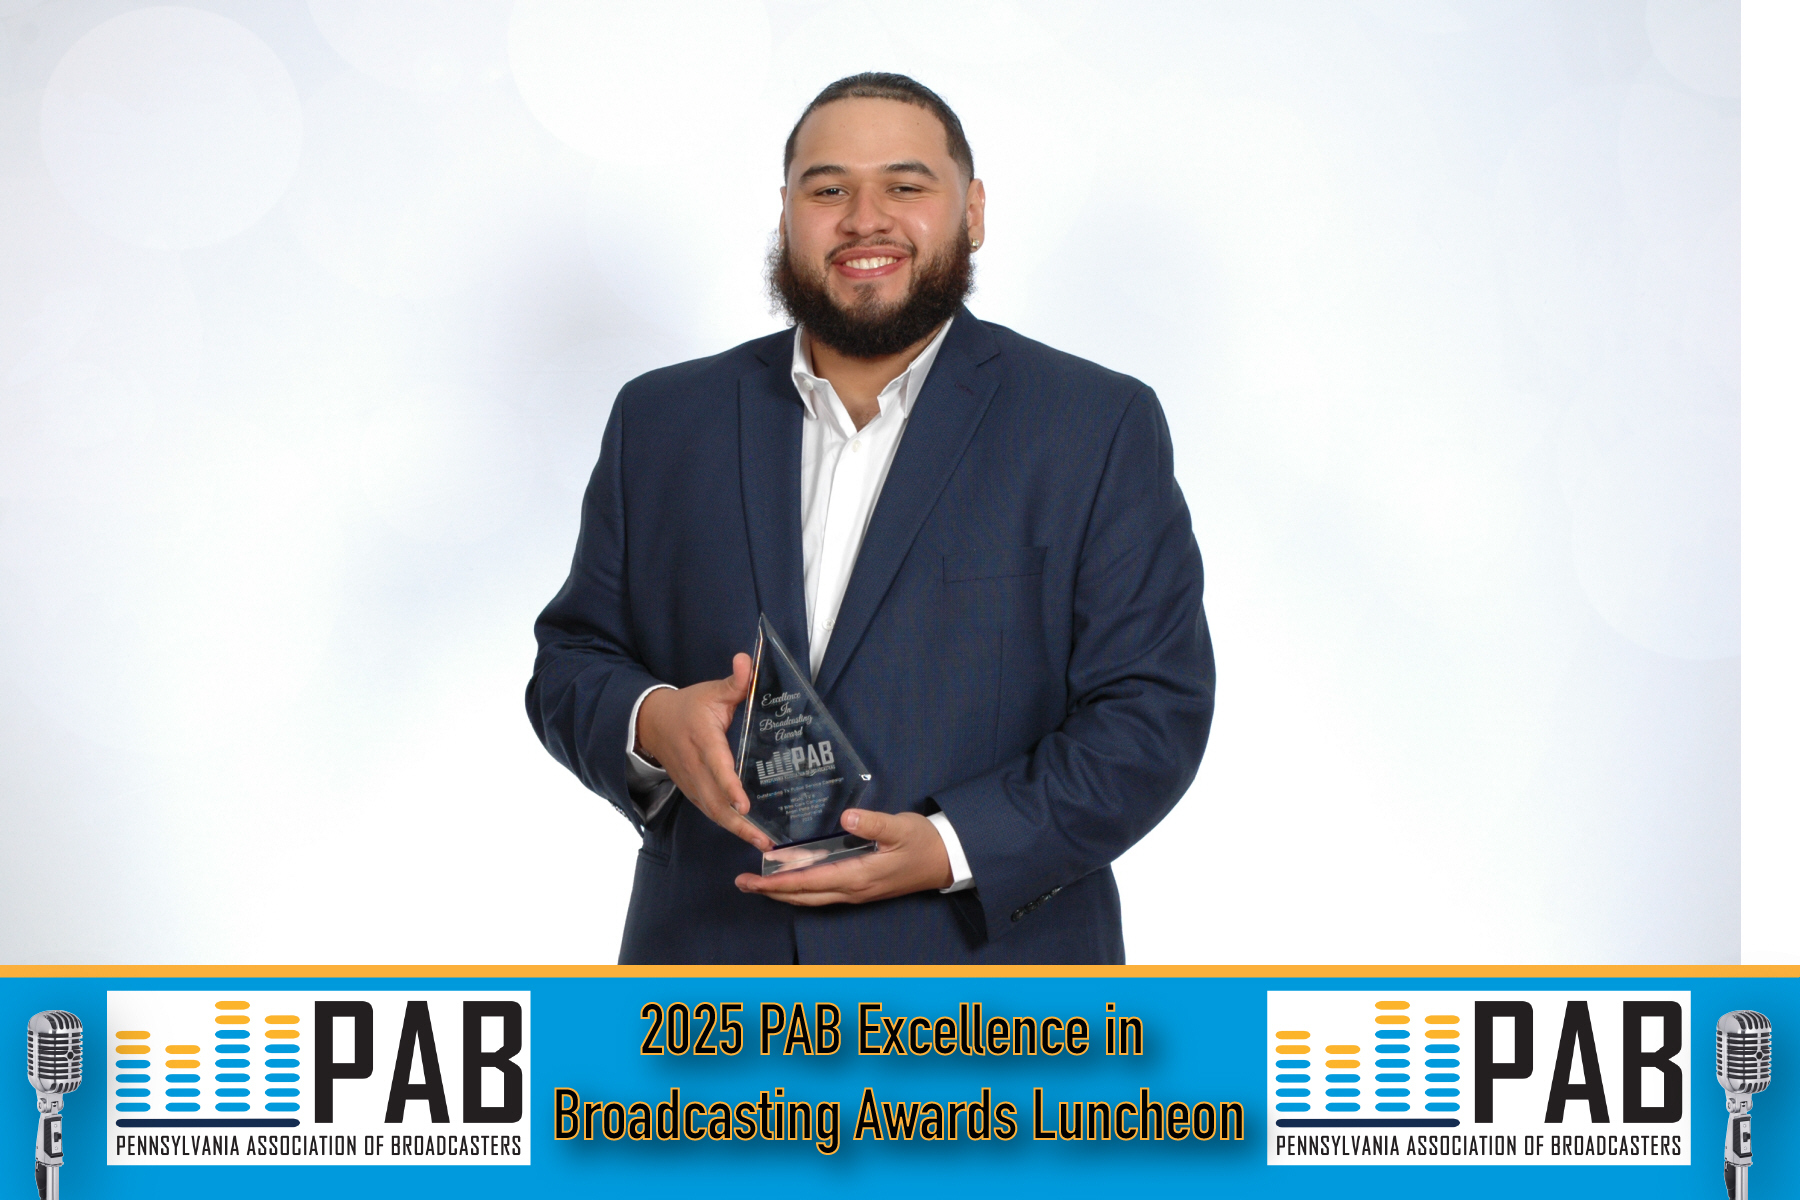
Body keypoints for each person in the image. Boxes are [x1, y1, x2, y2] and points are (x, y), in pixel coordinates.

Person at [527, 73, 1213, 964]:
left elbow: (1152, 711)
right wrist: (653, 719)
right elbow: (571, 661)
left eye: (905, 185)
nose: (864, 220)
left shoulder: (1094, 425)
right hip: (707, 985)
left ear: (972, 212)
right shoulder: (661, 420)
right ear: (786, 213)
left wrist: (954, 847)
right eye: (828, 190)